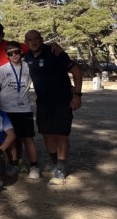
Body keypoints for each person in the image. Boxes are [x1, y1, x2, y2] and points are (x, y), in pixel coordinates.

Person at [23, 29, 82, 185]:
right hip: (43, 102)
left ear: (41, 39)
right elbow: (10, 49)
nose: (33, 42)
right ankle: (56, 164)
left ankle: (61, 170)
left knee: (61, 134)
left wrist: (77, 95)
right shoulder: (27, 56)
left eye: (37, 39)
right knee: (47, 134)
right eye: (30, 40)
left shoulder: (54, 52)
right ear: (26, 43)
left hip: (63, 100)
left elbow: (76, 71)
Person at [0, 40, 39, 179]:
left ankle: (34, 166)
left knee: (28, 138)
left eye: (17, 52)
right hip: (6, 108)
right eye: (10, 53)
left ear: (21, 52)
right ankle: (15, 163)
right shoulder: (2, 69)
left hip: (24, 109)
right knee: (12, 139)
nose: (14, 55)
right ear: (7, 55)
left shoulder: (29, 66)